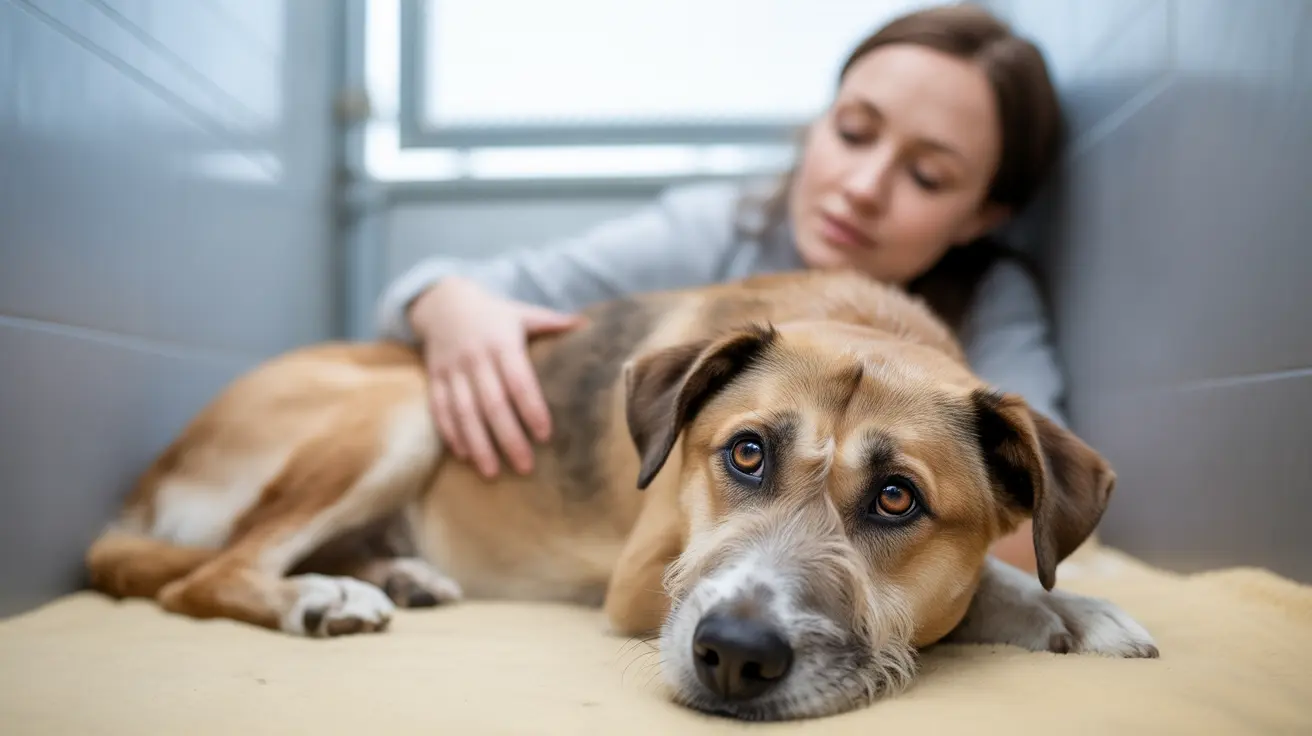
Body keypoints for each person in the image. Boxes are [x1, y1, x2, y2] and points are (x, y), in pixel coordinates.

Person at [375, 4, 1065, 572]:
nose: (862, 188)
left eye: (927, 177)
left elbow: (1030, 515)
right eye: (854, 132)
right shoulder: (714, 232)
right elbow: (461, 289)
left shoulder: (989, 300)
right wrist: (446, 304)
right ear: (820, 123)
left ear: (983, 215)